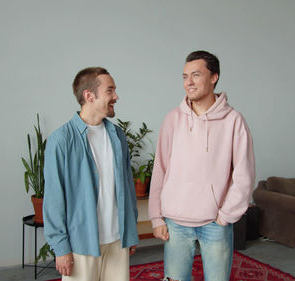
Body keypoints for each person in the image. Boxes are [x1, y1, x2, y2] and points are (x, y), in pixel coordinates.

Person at [148, 50, 256, 281]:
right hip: (175, 222)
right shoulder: (172, 119)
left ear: (214, 77)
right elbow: (160, 170)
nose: (189, 82)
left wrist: (225, 215)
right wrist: (157, 217)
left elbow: (244, 175)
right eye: (185, 76)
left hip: (215, 223)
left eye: (196, 75)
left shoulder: (233, 121)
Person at [43, 67, 139, 281]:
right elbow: (54, 199)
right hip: (81, 244)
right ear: (89, 96)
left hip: (117, 240)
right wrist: (61, 248)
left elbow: (127, 187)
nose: (116, 97)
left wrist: (130, 231)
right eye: (110, 91)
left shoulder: (117, 135)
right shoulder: (61, 140)